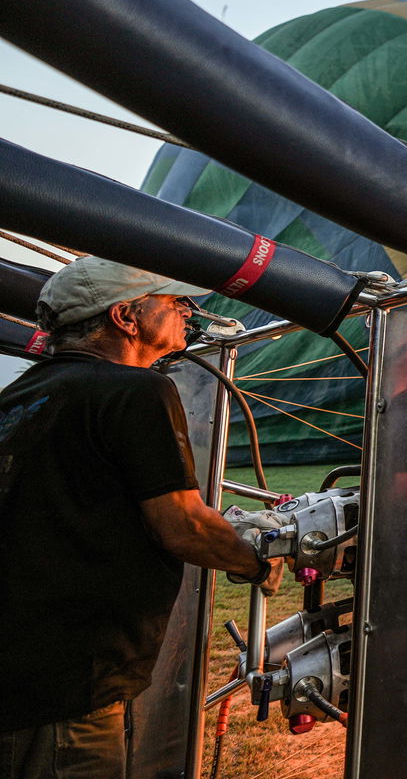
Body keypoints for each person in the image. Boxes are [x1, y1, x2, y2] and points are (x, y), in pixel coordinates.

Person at [0, 257, 273, 778]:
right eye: (173, 303)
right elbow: (182, 524)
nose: (187, 312)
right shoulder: (134, 389)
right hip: (66, 691)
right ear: (126, 316)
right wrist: (251, 561)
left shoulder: (19, 396)